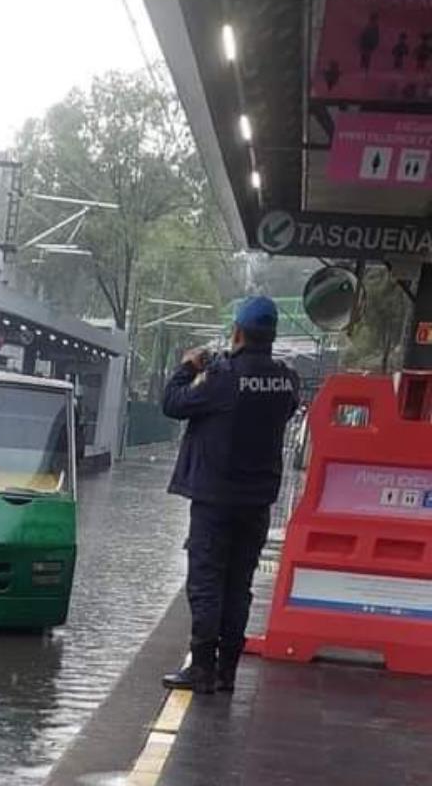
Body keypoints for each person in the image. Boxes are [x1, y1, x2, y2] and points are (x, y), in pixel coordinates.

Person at [160, 296, 299, 694]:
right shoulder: (285, 380)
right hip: (257, 502)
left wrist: (189, 366)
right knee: (239, 584)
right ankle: (227, 671)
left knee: (206, 581)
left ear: (237, 333)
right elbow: (284, 410)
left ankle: (201, 666)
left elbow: (173, 404)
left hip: (215, 498)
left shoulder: (222, 378)